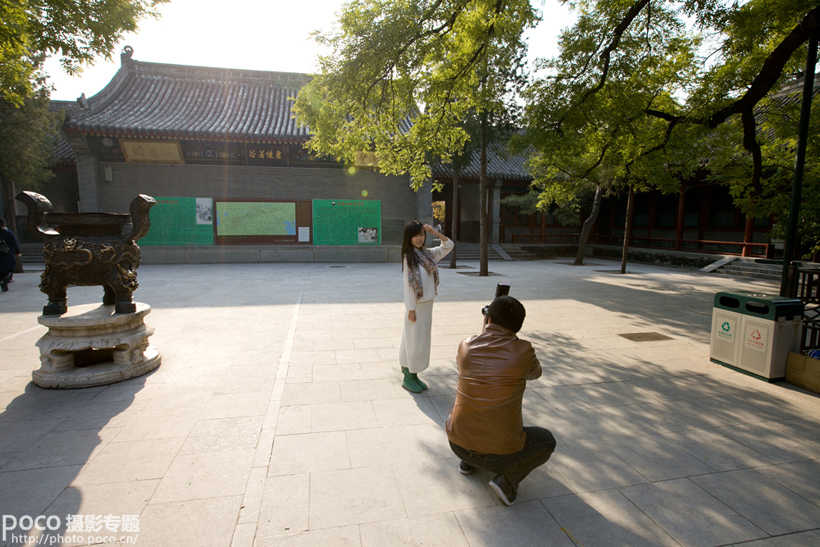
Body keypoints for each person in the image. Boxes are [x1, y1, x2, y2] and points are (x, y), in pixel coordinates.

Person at [446, 295, 556, 506]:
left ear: (488, 319)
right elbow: (535, 373)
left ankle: (468, 461)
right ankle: (507, 481)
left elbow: (472, 365)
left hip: (456, 442)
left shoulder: (465, 346)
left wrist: (484, 331)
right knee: (547, 440)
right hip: (502, 455)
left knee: (473, 408)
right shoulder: (523, 350)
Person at [399, 220, 453, 393]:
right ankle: (408, 376)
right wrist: (411, 309)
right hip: (416, 307)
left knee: (418, 340)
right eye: (415, 235)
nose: (419, 238)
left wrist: (435, 233)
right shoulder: (409, 258)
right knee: (413, 340)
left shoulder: (428, 254)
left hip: (427, 306)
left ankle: (413, 374)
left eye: (422, 235)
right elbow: (408, 287)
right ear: (409, 237)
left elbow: (448, 245)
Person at [0, 218, 21, 292]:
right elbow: (14, 243)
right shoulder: (8, 233)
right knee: (10, 268)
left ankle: (2, 281)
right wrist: (17, 252)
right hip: (8, 254)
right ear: (4, 224)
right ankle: (5, 281)